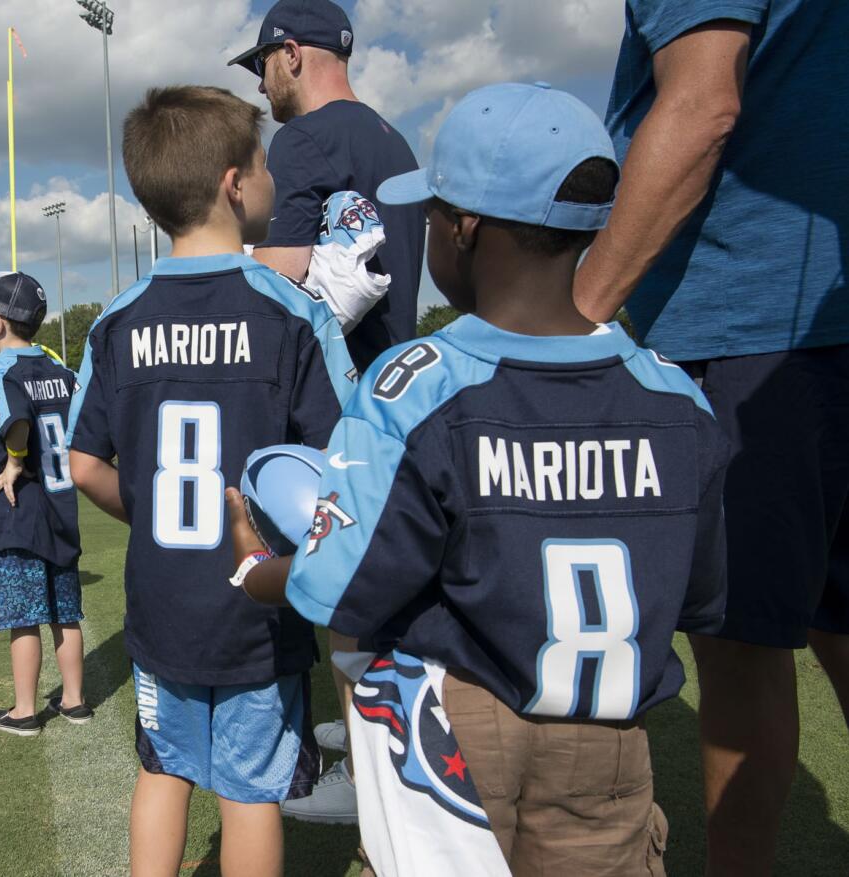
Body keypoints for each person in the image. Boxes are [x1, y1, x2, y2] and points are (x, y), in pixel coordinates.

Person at [229, 82, 731, 876]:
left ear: (461, 229)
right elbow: (698, 595)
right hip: (610, 748)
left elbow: (347, 581)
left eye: (428, 214)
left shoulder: (416, 384)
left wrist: (259, 572)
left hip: (461, 736)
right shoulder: (677, 400)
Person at [572, 3, 849, 873]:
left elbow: (702, 105)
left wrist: (569, 317)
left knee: (740, 649)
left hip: (747, 327)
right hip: (812, 321)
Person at [67, 85, 357, 877]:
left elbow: (83, 461)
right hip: (257, 606)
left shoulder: (116, 320)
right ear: (235, 181)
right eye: (263, 161)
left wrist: (157, 510)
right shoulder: (295, 314)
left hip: (161, 603)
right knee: (250, 793)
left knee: (162, 772)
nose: (272, 178)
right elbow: (347, 465)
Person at [228, 0, 426, 821]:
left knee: (346, 582)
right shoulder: (391, 135)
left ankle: (378, 774)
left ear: (294, 54)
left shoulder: (304, 140)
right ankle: (380, 739)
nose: (263, 82)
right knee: (387, 581)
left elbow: (275, 295)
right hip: (401, 382)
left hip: (347, 398)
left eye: (264, 63)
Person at [0, 271, 90, 737]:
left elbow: (17, 423)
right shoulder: (62, 372)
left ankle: (25, 710)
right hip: (60, 504)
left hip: (19, 509)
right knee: (64, 612)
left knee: (24, 615)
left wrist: (12, 462)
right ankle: (74, 700)